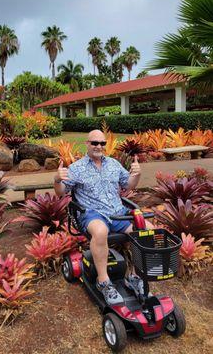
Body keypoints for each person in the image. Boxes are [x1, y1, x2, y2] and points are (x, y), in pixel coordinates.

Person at [54, 129, 153, 305]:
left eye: (102, 143)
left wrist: (136, 175)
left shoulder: (114, 164)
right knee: (100, 232)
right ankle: (104, 282)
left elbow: (128, 185)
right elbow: (62, 193)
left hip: (117, 213)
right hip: (91, 214)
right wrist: (57, 180)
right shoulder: (76, 168)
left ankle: (135, 277)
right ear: (87, 144)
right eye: (94, 143)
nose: (99, 146)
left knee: (147, 230)